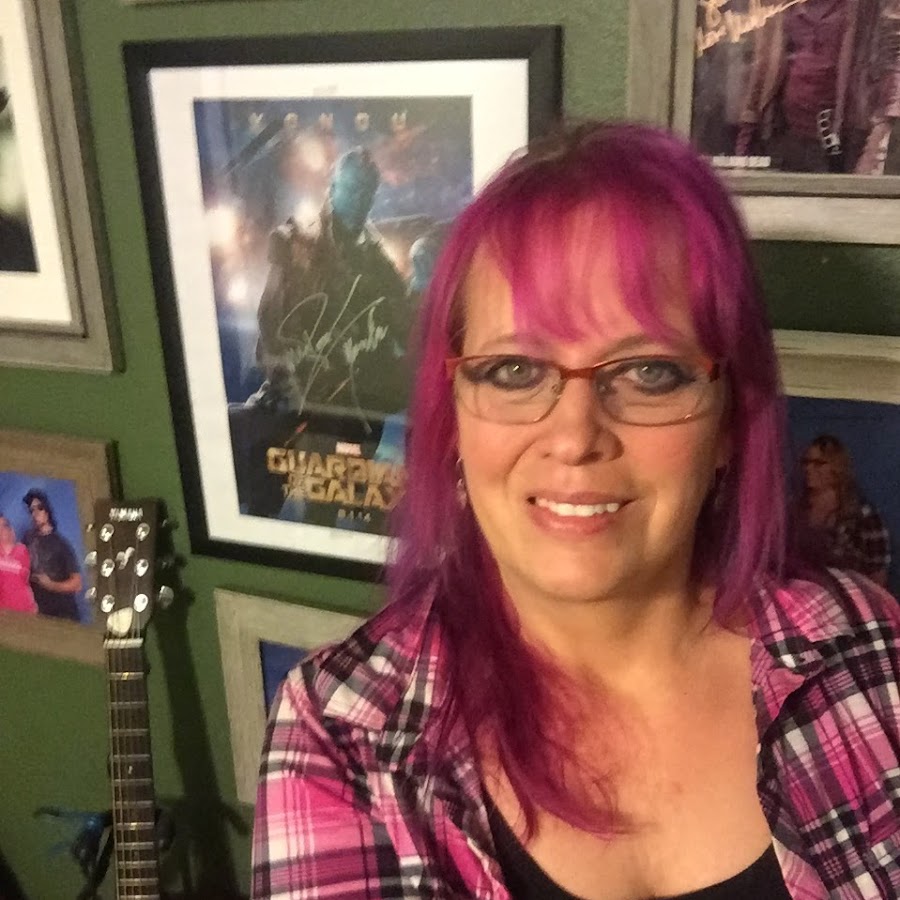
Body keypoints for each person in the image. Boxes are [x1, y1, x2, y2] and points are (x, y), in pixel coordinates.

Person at [251, 122, 900, 898]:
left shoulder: (866, 650)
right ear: (453, 416)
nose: (575, 437)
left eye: (650, 372)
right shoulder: (344, 734)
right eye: (515, 370)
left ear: (729, 419)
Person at [249, 145, 412, 417]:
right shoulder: (299, 244)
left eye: (366, 191)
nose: (358, 199)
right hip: (306, 398)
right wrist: (291, 385)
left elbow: (403, 321)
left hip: (358, 398)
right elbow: (272, 324)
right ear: (333, 189)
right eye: (352, 189)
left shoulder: (376, 255)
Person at [734, 0, 900, 174]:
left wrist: (876, 143)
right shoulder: (780, 5)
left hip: (849, 136)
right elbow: (763, 64)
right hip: (784, 133)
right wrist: (747, 133)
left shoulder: (868, 6)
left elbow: (893, 61)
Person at [793, 433, 892, 587]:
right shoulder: (796, 510)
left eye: (819, 463)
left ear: (837, 467)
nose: (808, 468)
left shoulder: (863, 515)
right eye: (806, 462)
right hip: (805, 593)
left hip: (849, 594)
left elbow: (877, 573)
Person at [22, 489, 82, 621]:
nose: (35, 513)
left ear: (47, 510)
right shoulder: (28, 539)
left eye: (40, 508)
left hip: (63, 613)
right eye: (31, 510)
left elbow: (77, 584)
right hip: (39, 611)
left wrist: (50, 585)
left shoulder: (61, 543)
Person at [0, 516, 37, 614]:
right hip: (3, 612)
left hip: (26, 610)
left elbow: (26, 579)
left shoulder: (22, 550)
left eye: (4, 526)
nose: (1, 530)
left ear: (10, 529)